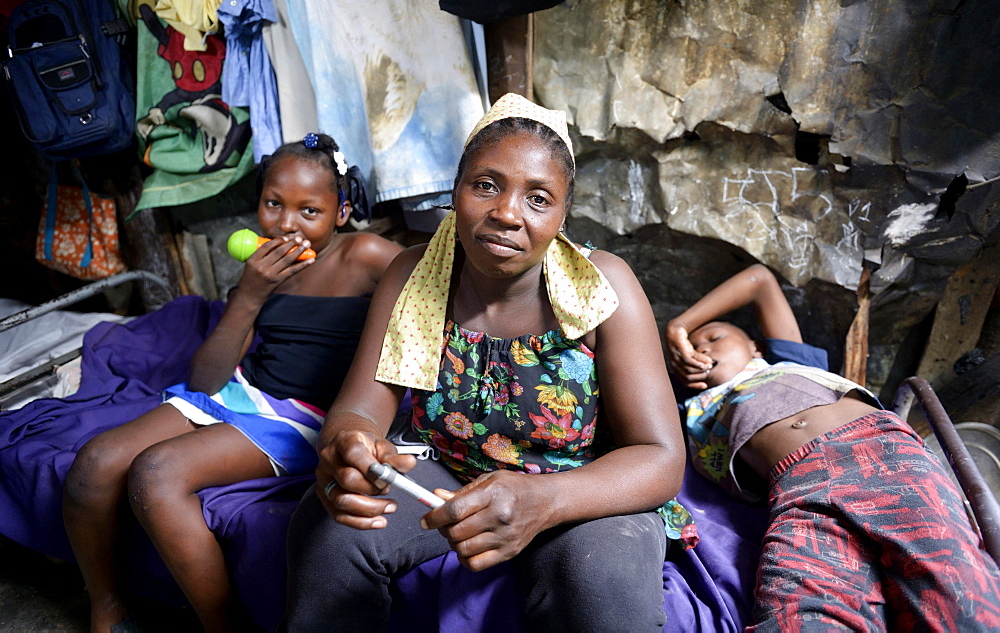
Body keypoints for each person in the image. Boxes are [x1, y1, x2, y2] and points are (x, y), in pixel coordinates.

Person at [282, 94, 694, 630]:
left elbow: (660, 457)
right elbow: (361, 406)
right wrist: (348, 443)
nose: (507, 213)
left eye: (539, 198)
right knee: (328, 534)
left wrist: (543, 499)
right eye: (486, 185)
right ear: (455, 190)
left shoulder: (603, 289)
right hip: (445, 471)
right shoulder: (414, 275)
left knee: (601, 584)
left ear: (563, 215)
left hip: (578, 486)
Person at [62, 133, 403, 632]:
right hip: (241, 392)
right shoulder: (261, 269)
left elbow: (433, 278)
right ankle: (108, 607)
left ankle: (224, 626)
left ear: (342, 210)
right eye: (273, 204)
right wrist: (249, 294)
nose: (287, 224)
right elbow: (205, 379)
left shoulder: (364, 254)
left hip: (306, 415)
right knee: (93, 464)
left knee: (155, 473)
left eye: (309, 211)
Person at [665, 263, 1000, 631]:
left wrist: (678, 328)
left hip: (877, 452)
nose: (697, 351)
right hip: (796, 492)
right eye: (688, 351)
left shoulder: (785, 363)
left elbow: (759, 280)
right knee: (797, 618)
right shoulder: (690, 416)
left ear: (756, 346)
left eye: (712, 337)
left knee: (954, 593)